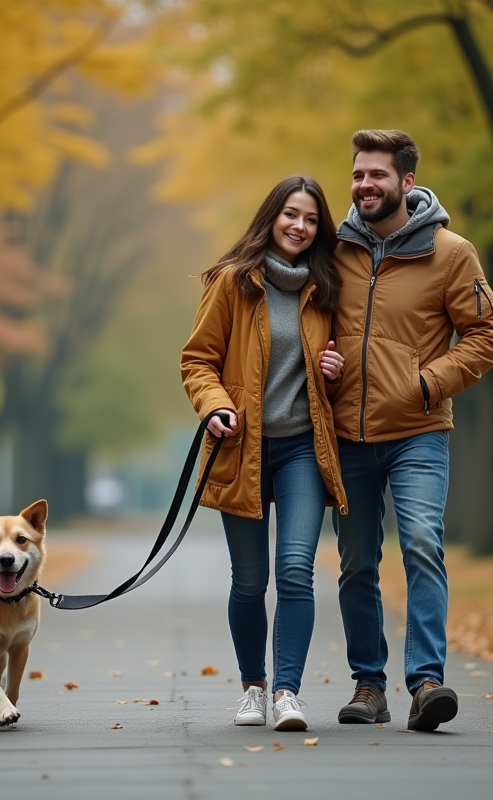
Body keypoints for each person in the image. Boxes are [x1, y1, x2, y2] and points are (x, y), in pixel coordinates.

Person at [329, 129, 493, 731]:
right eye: (357, 175)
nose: (364, 185)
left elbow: (489, 335)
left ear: (406, 182)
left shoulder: (452, 252)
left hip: (418, 433)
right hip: (346, 439)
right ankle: (369, 686)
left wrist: (428, 383)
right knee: (356, 563)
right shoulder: (332, 252)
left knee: (423, 544)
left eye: (376, 175)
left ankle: (427, 681)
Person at [181, 176, 348, 732]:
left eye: (311, 219)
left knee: (297, 571)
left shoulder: (326, 286)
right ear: (272, 216)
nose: (300, 227)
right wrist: (215, 406)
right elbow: (198, 361)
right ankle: (252, 687)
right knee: (250, 581)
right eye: (291, 215)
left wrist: (336, 370)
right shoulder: (233, 283)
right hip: (241, 448)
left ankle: (286, 693)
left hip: (303, 447)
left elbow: (343, 361)